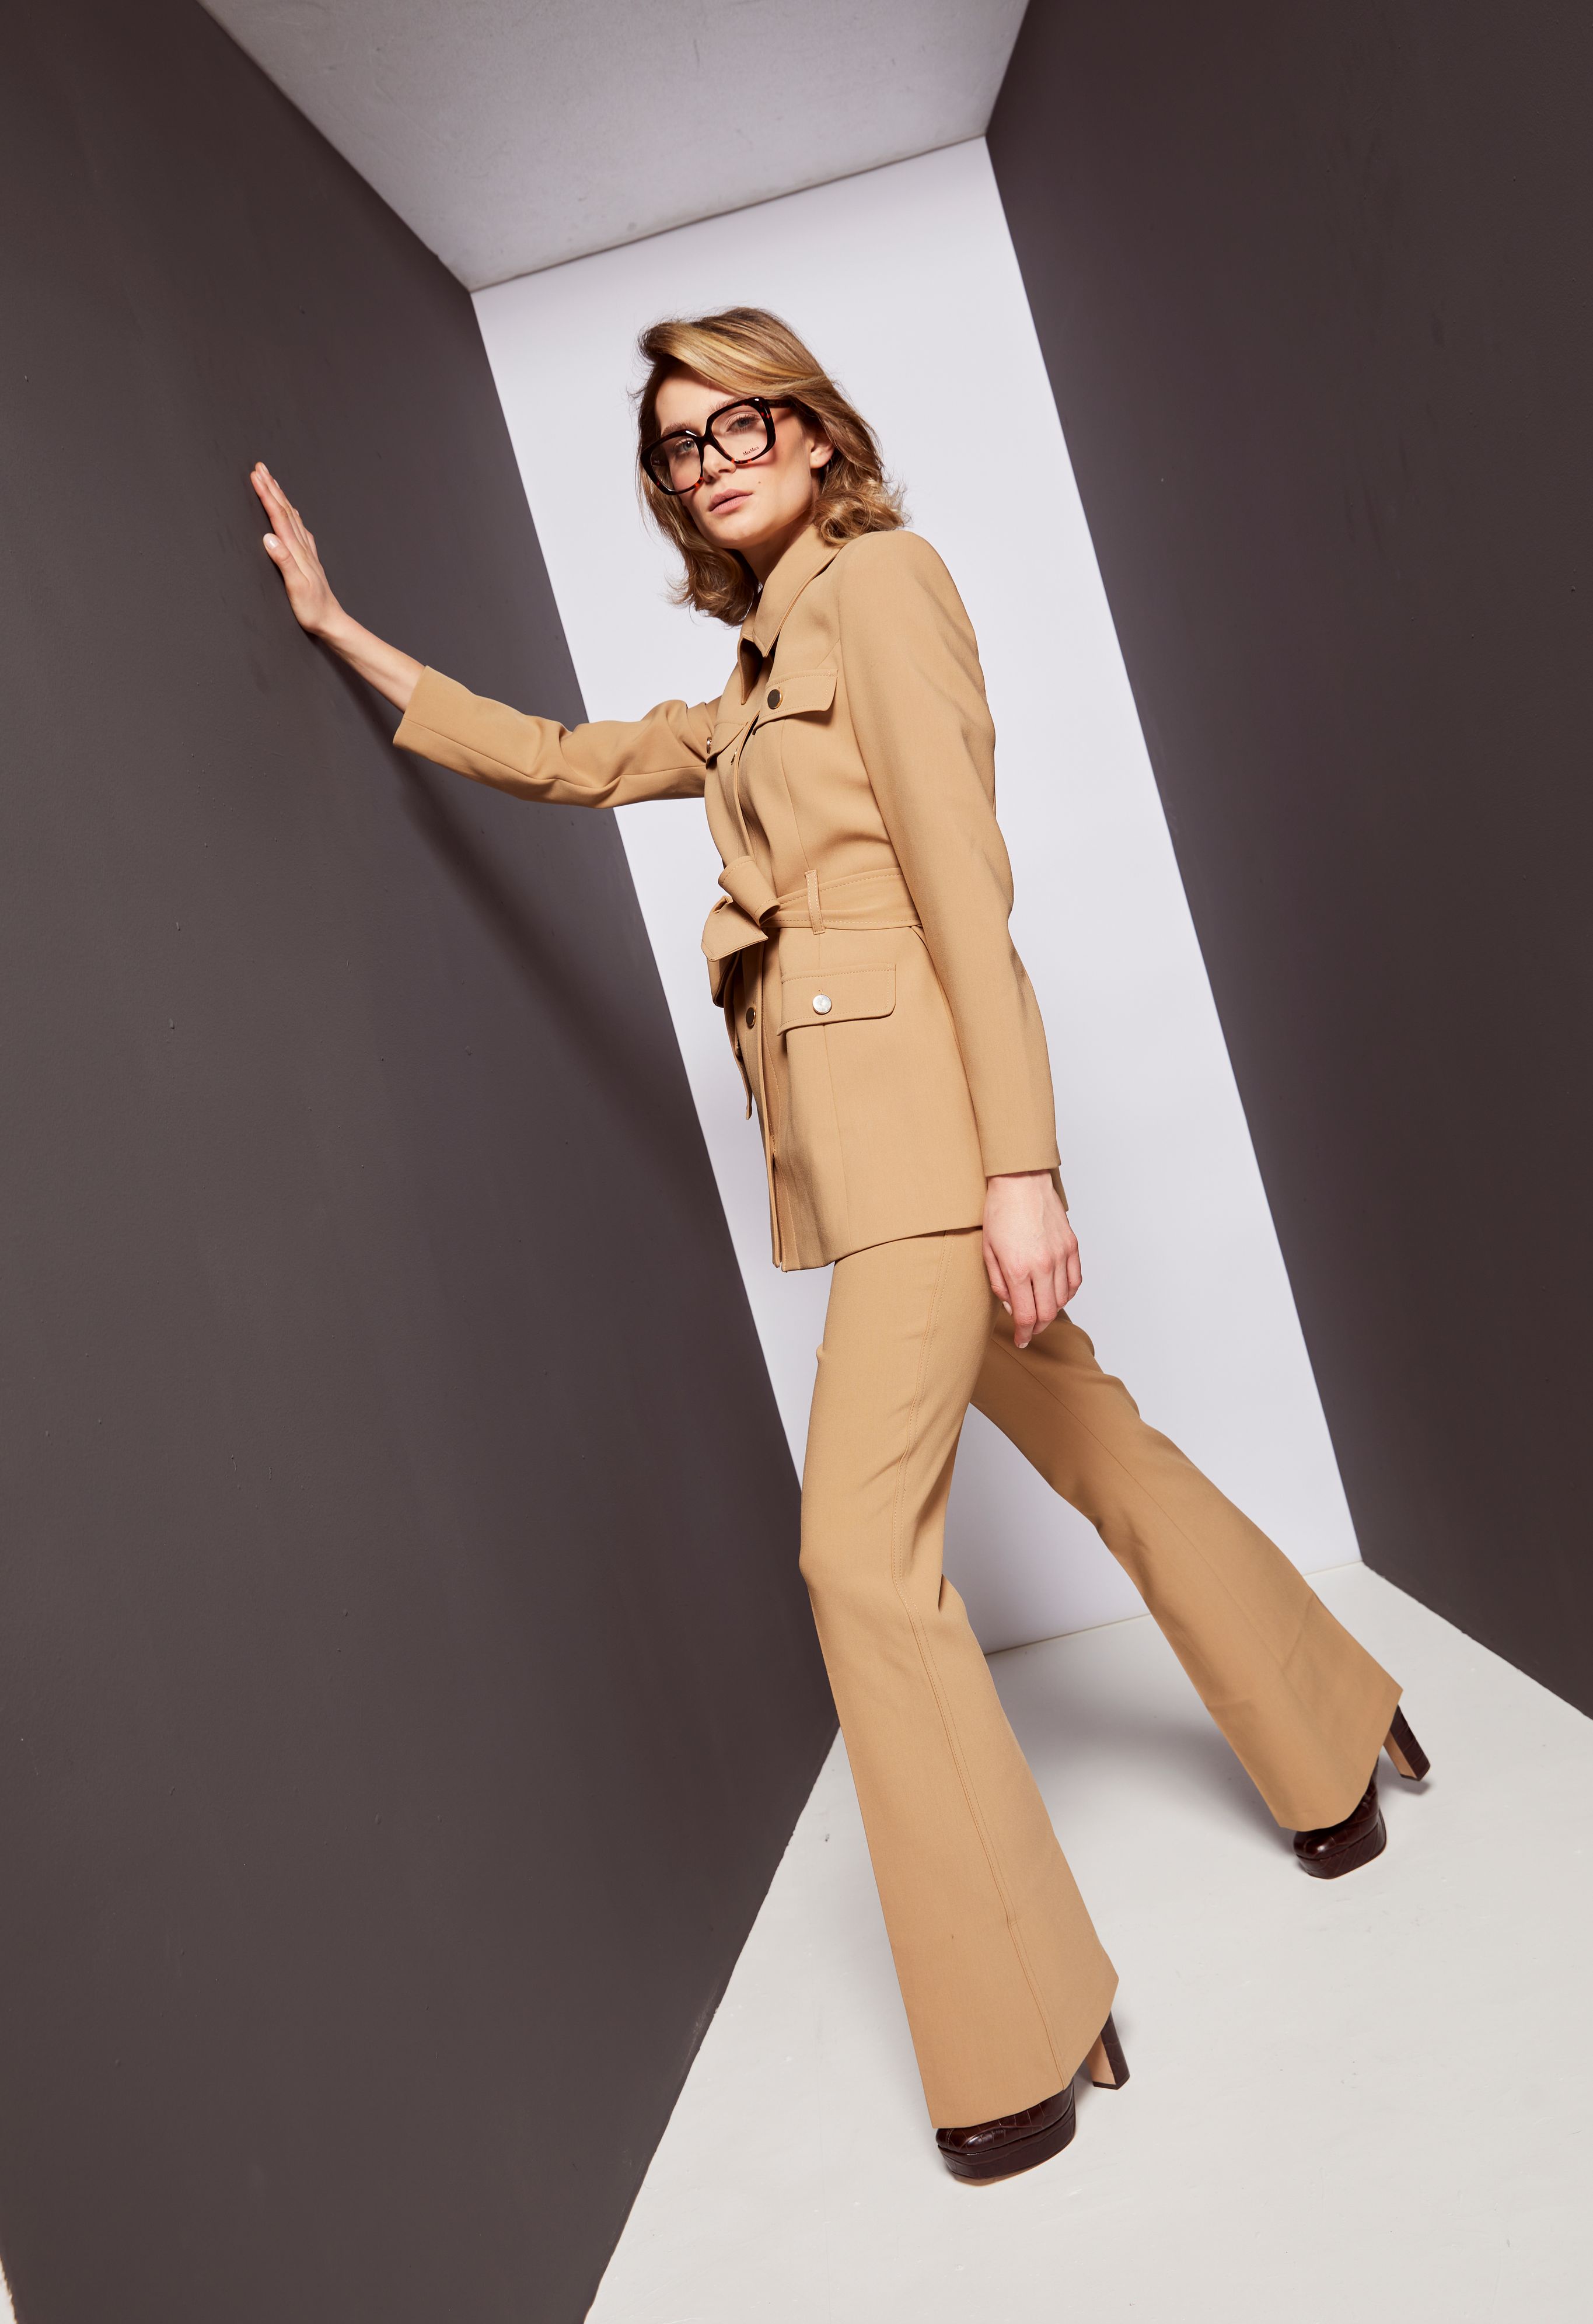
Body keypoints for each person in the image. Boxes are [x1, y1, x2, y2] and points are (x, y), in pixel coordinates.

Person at [251, 306, 1430, 2186]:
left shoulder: (883, 588)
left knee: (855, 1560)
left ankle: (1019, 2015)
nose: (711, 460)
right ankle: (1336, 1730)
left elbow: (963, 877)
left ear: (812, 428)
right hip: (866, 1150)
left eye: (740, 423)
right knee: (1098, 1444)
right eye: (681, 445)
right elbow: (569, 758)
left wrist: (1021, 1169)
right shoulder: (755, 669)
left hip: (930, 1155)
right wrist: (342, 630)